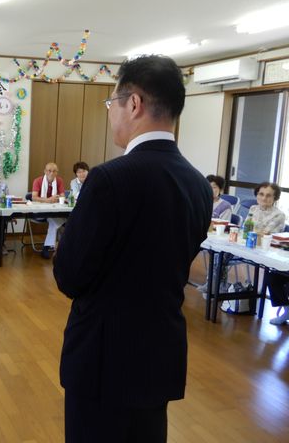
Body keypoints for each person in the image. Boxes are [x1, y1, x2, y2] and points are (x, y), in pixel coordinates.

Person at [53, 55, 212, 443]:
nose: (111, 112)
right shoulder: (198, 184)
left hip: (104, 359)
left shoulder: (109, 179)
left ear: (134, 103)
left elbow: (69, 276)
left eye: (112, 103)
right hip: (159, 353)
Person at [245, 182, 289, 325]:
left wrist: (253, 231)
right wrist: (253, 232)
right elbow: (246, 229)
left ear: (275, 198)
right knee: (222, 255)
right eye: (261, 194)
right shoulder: (253, 208)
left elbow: (266, 234)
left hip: (270, 252)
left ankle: (286, 309)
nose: (264, 198)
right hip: (253, 247)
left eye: (269, 195)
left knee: (272, 277)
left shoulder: (279, 215)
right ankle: (218, 285)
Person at [31, 162, 66, 259]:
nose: (51, 173)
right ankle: (57, 246)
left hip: (54, 211)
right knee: (61, 221)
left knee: (53, 220)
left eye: (54, 171)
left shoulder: (59, 181)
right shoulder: (38, 181)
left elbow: (62, 196)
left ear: (57, 172)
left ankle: (46, 248)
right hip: (40, 212)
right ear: (45, 171)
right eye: (49, 171)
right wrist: (47, 200)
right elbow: (34, 197)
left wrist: (57, 198)